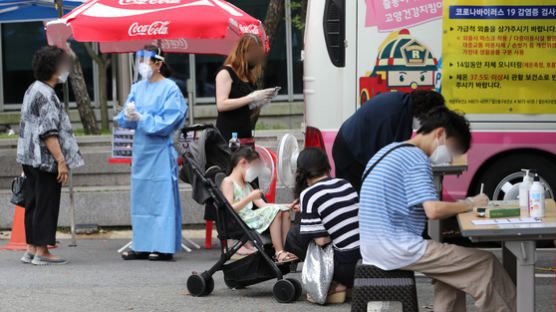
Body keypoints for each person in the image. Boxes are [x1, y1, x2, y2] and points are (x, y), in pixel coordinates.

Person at [359, 107, 516, 311]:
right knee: (486, 264)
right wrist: (471, 203)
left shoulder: (388, 151)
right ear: (440, 134)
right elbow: (433, 211)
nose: (450, 159)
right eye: (452, 149)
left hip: (374, 244)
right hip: (396, 246)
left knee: (452, 276)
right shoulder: (415, 159)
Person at [115, 45, 187, 261]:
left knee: (161, 201)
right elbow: (125, 117)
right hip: (141, 153)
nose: (141, 66)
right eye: (138, 61)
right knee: (141, 201)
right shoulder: (137, 88)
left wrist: (142, 118)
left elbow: (169, 121)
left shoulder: (171, 89)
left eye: (144, 61)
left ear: (158, 63)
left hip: (159, 153)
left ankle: (163, 247)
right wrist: (127, 115)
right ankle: (142, 245)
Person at [16, 46, 84, 265]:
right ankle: (43, 251)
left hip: (28, 157)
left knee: (33, 203)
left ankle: (32, 248)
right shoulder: (47, 95)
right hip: (45, 159)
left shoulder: (33, 89)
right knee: (46, 203)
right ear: (54, 68)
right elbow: (48, 132)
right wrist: (61, 161)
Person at [284, 147, 360, 304]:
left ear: (301, 172)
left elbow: (322, 241)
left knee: (294, 235)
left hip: (345, 268)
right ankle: (346, 285)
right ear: (327, 166)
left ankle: (333, 282)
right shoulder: (345, 184)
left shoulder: (309, 194)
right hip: (365, 262)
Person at [332, 90, 445, 192]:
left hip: (351, 143)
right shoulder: (397, 114)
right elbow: (389, 156)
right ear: (426, 112)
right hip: (350, 151)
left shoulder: (403, 104)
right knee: (355, 199)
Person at [221, 146, 298, 263]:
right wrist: (250, 198)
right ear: (243, 162)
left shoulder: (247, 185)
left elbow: (264, 205)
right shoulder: (228, 182)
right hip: (241, 219)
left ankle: (286, 249)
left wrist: (288, 206)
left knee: (284, 212)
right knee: (276, 212)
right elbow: (230, 208)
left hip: (252, 216)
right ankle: (279, 252)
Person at [215, 34, 276, 142]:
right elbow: (221, 104)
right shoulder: (225, 73)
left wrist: (259, 104)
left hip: (245, 135)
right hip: (228, 137)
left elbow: (244, 111)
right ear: (243, 52)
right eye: (255, 56)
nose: (257, 61)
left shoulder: (249, 77)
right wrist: (252, 98)